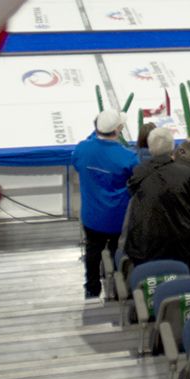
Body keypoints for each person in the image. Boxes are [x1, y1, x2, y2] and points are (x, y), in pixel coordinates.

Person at [68, 110, 140, 297]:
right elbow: (136, 180)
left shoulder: (83, 149)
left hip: (92, 216)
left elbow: (77, 162)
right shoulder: (128, 157)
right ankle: (117, 290)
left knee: (92, 251)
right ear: (118, 130)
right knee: (118, 253)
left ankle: (92, 288)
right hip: (118, 217)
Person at [123, 127, 190, 265]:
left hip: (145, 247)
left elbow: (131, 191)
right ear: (172, 147)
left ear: (151, 148)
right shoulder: (186, 173)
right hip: (180, 245)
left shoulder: (139, 172)